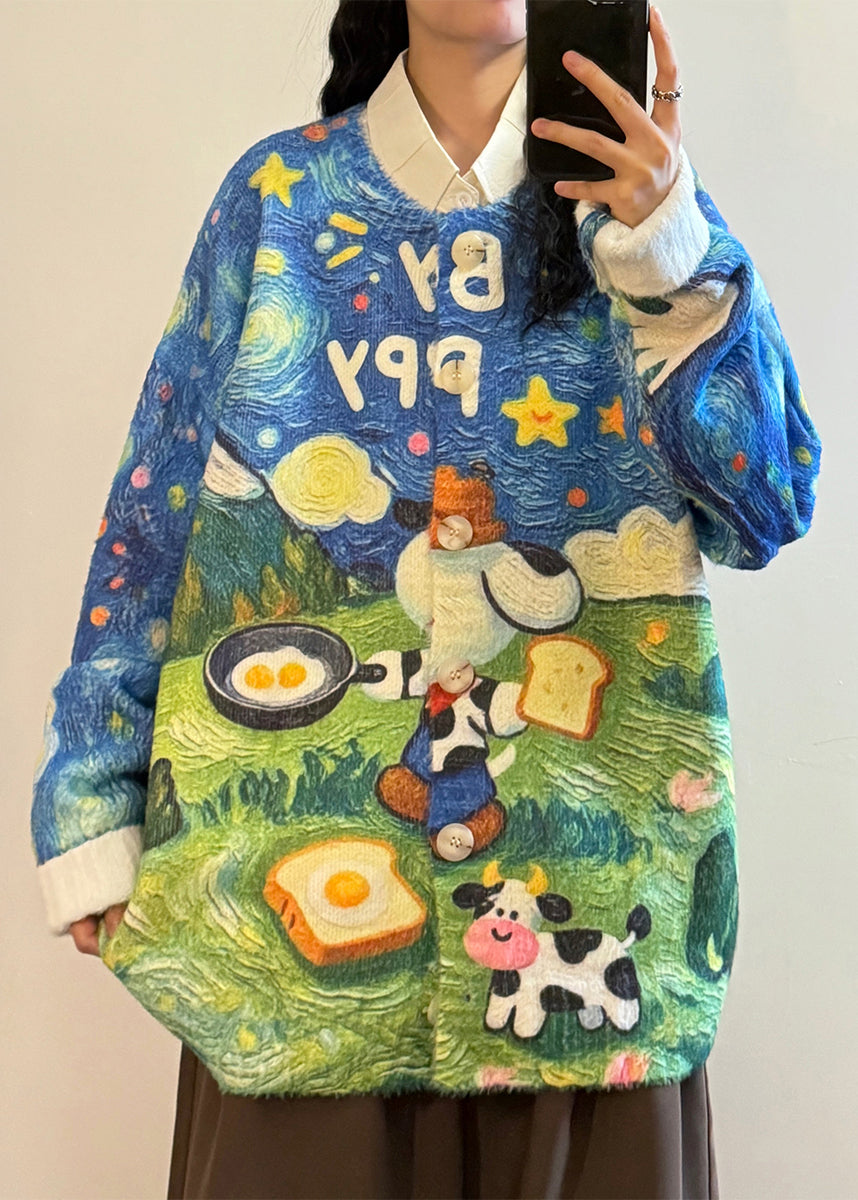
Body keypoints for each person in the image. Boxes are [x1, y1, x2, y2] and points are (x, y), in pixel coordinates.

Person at [30, 1, 821, 1197]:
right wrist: (90, 796)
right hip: (288, 1003)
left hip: (594, 979)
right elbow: (158, 506)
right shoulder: (278, 200)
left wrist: (671, 255)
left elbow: (768, 504)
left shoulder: (645, 218)